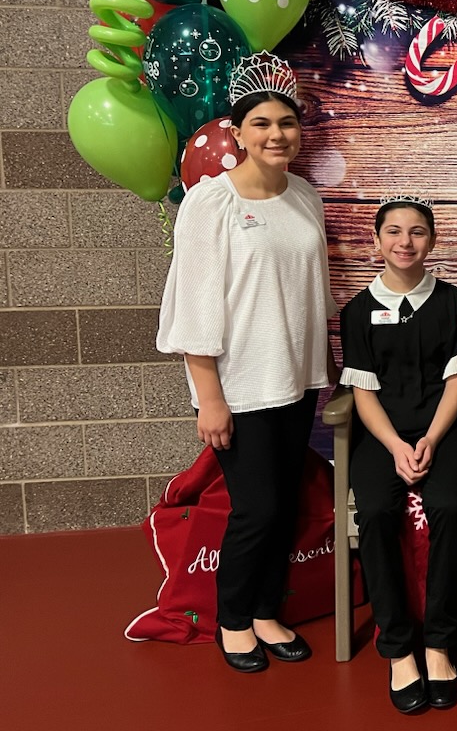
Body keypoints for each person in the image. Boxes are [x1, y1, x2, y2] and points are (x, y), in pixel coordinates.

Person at [156, 60, 335, 673]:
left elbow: (312, 290)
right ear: (238, 132)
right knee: (255, 509)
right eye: (261, 123)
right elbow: (195, 303)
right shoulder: (212, 202)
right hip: (239, 385)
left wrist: (324, 370)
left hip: (296, 380)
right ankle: (232, 619)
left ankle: (265, 611)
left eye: (287, 123)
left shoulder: (305, 196)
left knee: (282, 505)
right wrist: (209, 397)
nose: (276, 134)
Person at [338, 195, 457, 713]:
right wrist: (395, 445)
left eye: (417, 232)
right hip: (383, 435)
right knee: (374, 511)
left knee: (449, 506)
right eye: (393, 231)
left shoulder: (454, 303)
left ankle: (439, 643)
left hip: (443, 430)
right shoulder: (358, 312)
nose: (405, 242)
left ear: (431, 241)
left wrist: (432, 439)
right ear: (377, 241)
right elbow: (363, 392)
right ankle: (398, 649)